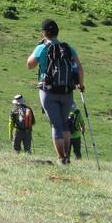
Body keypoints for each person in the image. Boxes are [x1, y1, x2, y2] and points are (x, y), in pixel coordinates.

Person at [26, 18, 84, 165]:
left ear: (44, 33)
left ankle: (61, 158)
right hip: (67, 91)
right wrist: (80, 85)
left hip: (48, 91)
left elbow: (30, 65)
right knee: (64, 124)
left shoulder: (42, 48)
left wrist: (39, 46)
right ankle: (67, 157)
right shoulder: (68, 48)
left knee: (56, 125)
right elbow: (79, 67)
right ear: (57, 33)